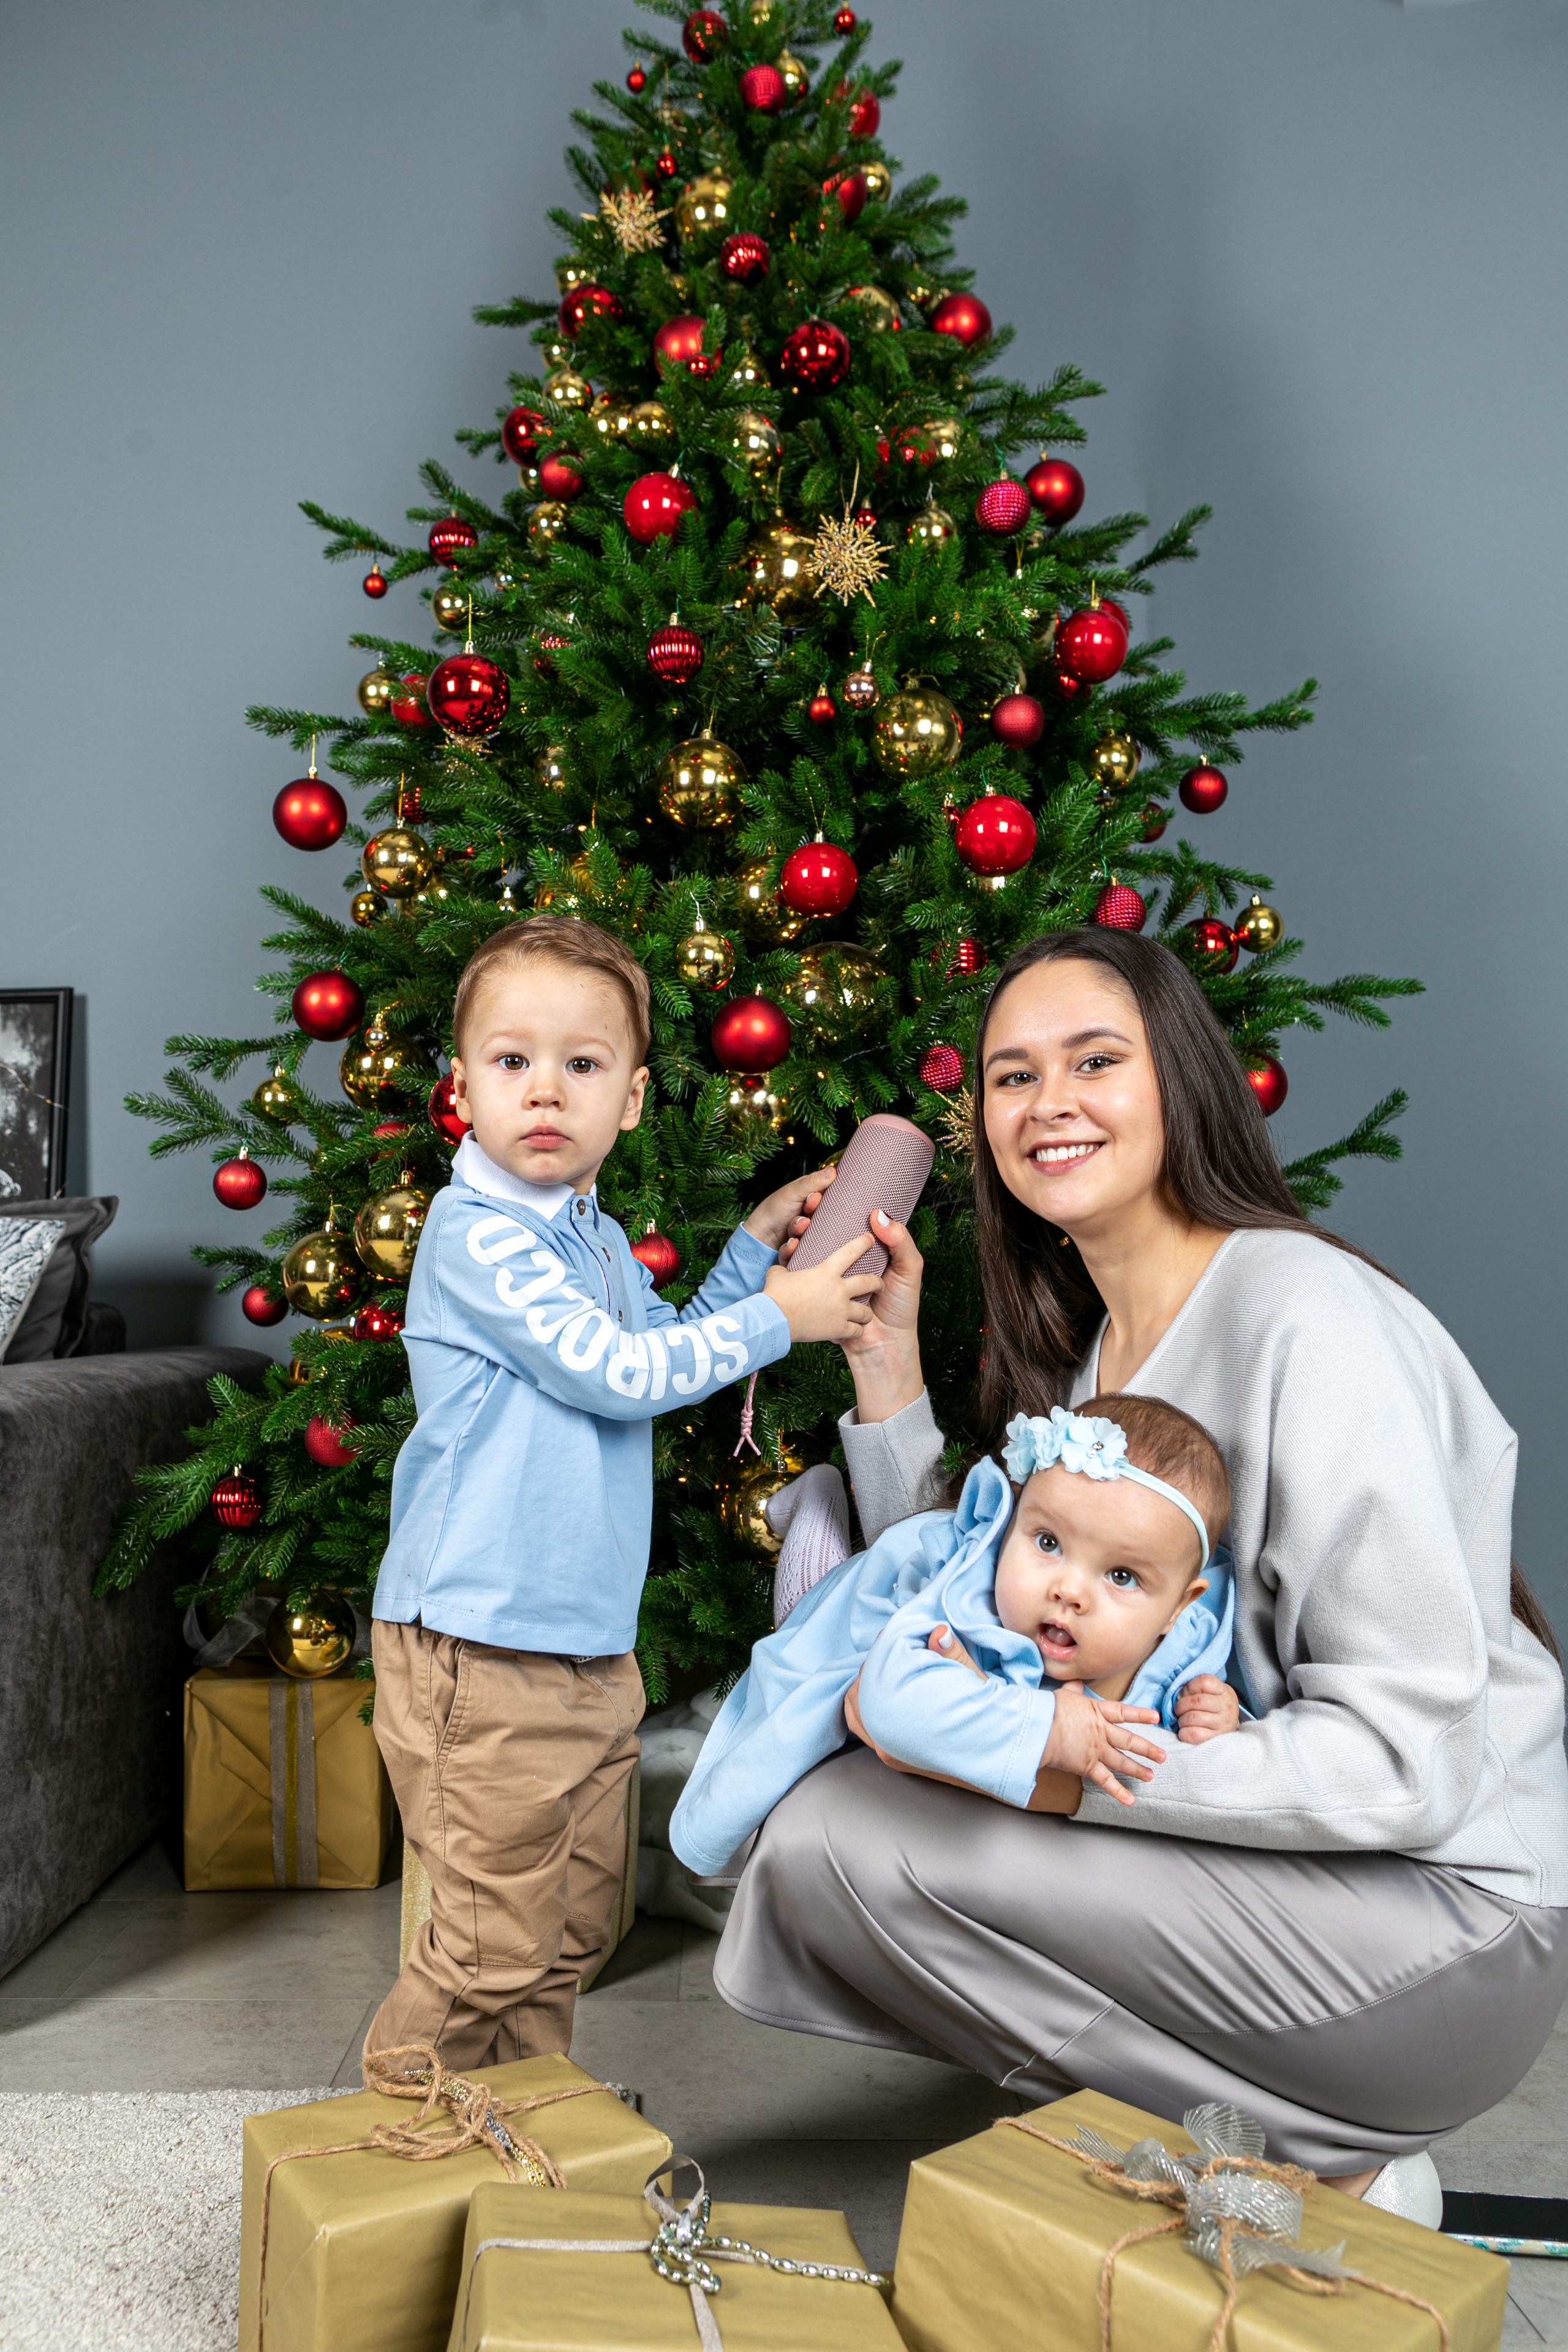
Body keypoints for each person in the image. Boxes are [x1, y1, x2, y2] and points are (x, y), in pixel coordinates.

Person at [714, 926, 1568, 2228]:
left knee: (844, 1836)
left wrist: (1053, 1764)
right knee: (835, 1818)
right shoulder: (1095, 1357)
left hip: (1450, 1931)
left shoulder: (1304, 1318)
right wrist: (885, 1378)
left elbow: (1410, 1763)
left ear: (1178, 1081)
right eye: (1009, 1076)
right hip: (1298, 1888)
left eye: (1092, 1061)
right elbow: (982, 1601)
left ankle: (1327, 2161)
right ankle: (1270, 2140)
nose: (1046, 1103)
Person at [363, 917, 881, 2071]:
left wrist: (753, 1255)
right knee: (486, 1950)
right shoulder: (477, 1236)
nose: (545, 1090)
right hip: (479, 1645)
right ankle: (389, 2168)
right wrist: (783, 1319)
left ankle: (520, 2136)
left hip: (586, 1646)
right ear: (462, 1089)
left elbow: (666, 1355)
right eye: (512, 1062)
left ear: (632, 1099)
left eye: (582, 1065)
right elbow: (613, 1373)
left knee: (566, 1933)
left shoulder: (588, 1240)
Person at [671, 1395, 1237, 1880]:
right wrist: (1048, 1727)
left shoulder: (1183, 1651)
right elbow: (886, 1703)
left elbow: (1176, 1766)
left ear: (1177, 1608)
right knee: (803, 1600)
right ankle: (815, 1500)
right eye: (1046, 1543)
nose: (1068, 1591)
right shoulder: (963, 1600)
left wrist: (1218, 1718)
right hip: (861, 1610)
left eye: (1121, 1577)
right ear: (1013, 1524)